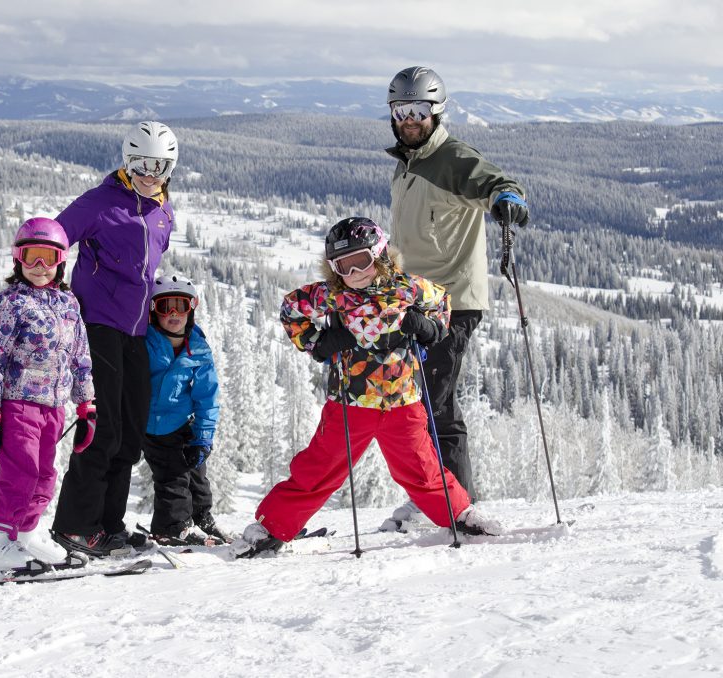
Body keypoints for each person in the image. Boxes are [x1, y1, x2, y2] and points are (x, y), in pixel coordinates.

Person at [236, 217, 502, 557]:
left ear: (378, 254)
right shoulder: (334, 295)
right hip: (350, 405)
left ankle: (460, 514)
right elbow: (291, 309)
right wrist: (319, 342)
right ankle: (271, 527)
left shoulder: (407, 288)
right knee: (319, 468)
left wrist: (428, 328)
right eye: (342, 266)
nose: (354, 273)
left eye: (360, 261)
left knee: (422, 468)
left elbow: (442, 304)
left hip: (402, 403)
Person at [382, 66, 529, 528]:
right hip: (415, 300)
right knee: (418, 400)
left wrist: (508, 198)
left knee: (435, 402)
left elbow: (494, 182)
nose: (409, 118)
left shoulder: (451, 158)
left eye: (419, 110)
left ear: (436, 111)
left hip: (451, 301)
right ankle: (436, 498)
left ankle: (454, 504)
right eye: (401, 109)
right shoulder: (409, 162)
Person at [50, 121, 179, 557]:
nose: (149, 172)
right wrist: (47, 291)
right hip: (98, 327)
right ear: (127, 161)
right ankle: (74, 526)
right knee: (101, 429)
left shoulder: (162, 210)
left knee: (130, 434)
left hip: (136, 332)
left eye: (158, 165)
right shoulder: (100, 202)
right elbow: (52, 238)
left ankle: (108, 526)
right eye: (141, 163)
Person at [0, 217, 96, 569]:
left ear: (61, 262)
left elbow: (81, 357)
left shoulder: (68, 305)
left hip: (54, 407)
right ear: (18, 259)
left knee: (45, 475)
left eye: (48, 258)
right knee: (20, 472)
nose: (40, 267)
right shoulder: (8, 303)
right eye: (32, 257)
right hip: (18, 403)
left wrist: (86, 404)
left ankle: (26, 534)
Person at [142, 274, 228, 546]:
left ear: (192, 308)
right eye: (165, 306)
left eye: (181, 305)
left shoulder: (198, 348)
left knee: (196, 471)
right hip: (149, 423)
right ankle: (170, 527)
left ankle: (200, 515)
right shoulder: (146, 341)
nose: (173, 313)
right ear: (154, 311)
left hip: (181, 421)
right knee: (173, 475)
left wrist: (203, 437)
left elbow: (207, 395)